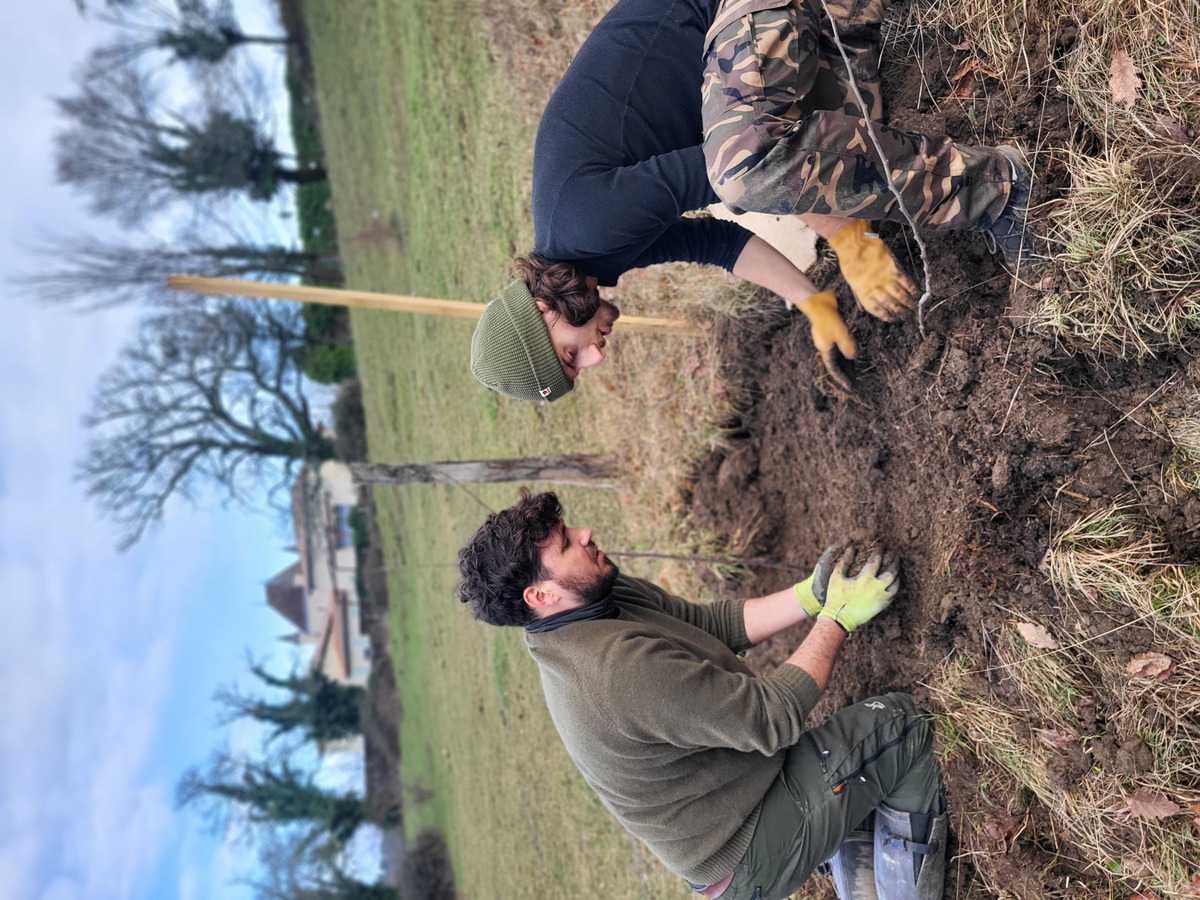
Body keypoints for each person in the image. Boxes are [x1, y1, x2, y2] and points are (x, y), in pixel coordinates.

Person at [470, 0, 1031, 403]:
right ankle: (843, 16)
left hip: (734, 16)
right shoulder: (589, 256)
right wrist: (811, 300)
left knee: (752, 174)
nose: (593, 357)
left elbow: (729, 180)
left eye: (570, 354)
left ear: (544, 313)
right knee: (845, 164)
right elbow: (715, 242)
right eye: (578, 370)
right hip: (747, 40)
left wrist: (848, 239)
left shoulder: (585, 225)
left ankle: (1001, 190)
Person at [456, 490, 949, 900]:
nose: (584, 534)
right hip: (743, 853)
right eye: (566, 542)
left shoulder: (590, 602)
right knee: (899, 725)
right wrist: (837, 618)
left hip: (746, 799)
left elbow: (707, 625)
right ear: (540, 596)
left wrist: (809, 597)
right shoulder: (614, 673)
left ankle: (844, 836)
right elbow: (770, 716)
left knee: (853, 756)